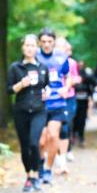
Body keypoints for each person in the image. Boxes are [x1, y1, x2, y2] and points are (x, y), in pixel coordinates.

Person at [8, 34, 49, 192]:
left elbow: (47, 86)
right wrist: (20, 85)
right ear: (22, 47)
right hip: (21, 111)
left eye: (32, 45)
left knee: (34, 142)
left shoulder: (42, 68)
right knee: (25, 146)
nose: (30, 48)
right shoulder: (15, 67)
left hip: (39, 110)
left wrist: (47, 92)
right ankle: (29, 176)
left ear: (36, 48)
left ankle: (37, 174)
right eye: (27, 45)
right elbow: (8, 90)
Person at [35, 28, 71, 184]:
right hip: (39, 104)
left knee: (53, 135)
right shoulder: (35, 56)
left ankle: (48, 169)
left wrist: (66, 88)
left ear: (54, 42)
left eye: (50, 42)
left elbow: (68, 75)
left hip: (57, 103)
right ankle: (41, 166)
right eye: (43, 42)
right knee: (41, 141)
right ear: (39, 43)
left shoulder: (61, 58)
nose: (47, 45)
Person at [54, 37, 81, 172]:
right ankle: (56, 153)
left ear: (67, 49)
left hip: (68, 97)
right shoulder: (49, 62)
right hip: (53, 99)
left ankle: (64, 153)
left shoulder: (71, 63)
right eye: (57, 46)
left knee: (66, 125)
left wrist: (68, 86)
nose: (59, 49)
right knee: (54, 128)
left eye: (62, 47)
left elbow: (75, 77)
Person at [72, 60, 96, 148]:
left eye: (82, 63)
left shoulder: (87, 73)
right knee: (75, 118)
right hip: (74, 99)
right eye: (79, 63)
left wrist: (90, 96)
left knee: (82, 119)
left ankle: (81, 137)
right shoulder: (72, 73)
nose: (81, 65)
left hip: (84, 100)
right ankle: (74, 134)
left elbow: (92, 84)